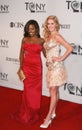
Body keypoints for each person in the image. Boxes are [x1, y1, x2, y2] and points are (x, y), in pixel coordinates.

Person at [40, 15, 73, 128]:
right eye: (48, 23)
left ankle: (48, 117)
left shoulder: (57, 36)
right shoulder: (48, 36)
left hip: (57, 68)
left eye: (52, 23)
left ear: (56, 24)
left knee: (53, 91)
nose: (50, 26)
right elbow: (49, 51)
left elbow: (70, 48)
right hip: (50, 67)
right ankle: (53, 112)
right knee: (54, 90)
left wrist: (60, 58)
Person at [13, 19, 45, 125]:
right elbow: (21, 54)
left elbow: (46, 54)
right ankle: (26, 112)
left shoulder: (41, 41)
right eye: (28, 29)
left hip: (37, 69)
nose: (30, 30)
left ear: (36, 28)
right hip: (26, 68)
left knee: (35, 92)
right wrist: (21, 67)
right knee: (27, 91)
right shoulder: (25, 39)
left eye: (32, 28)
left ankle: (33, 111)